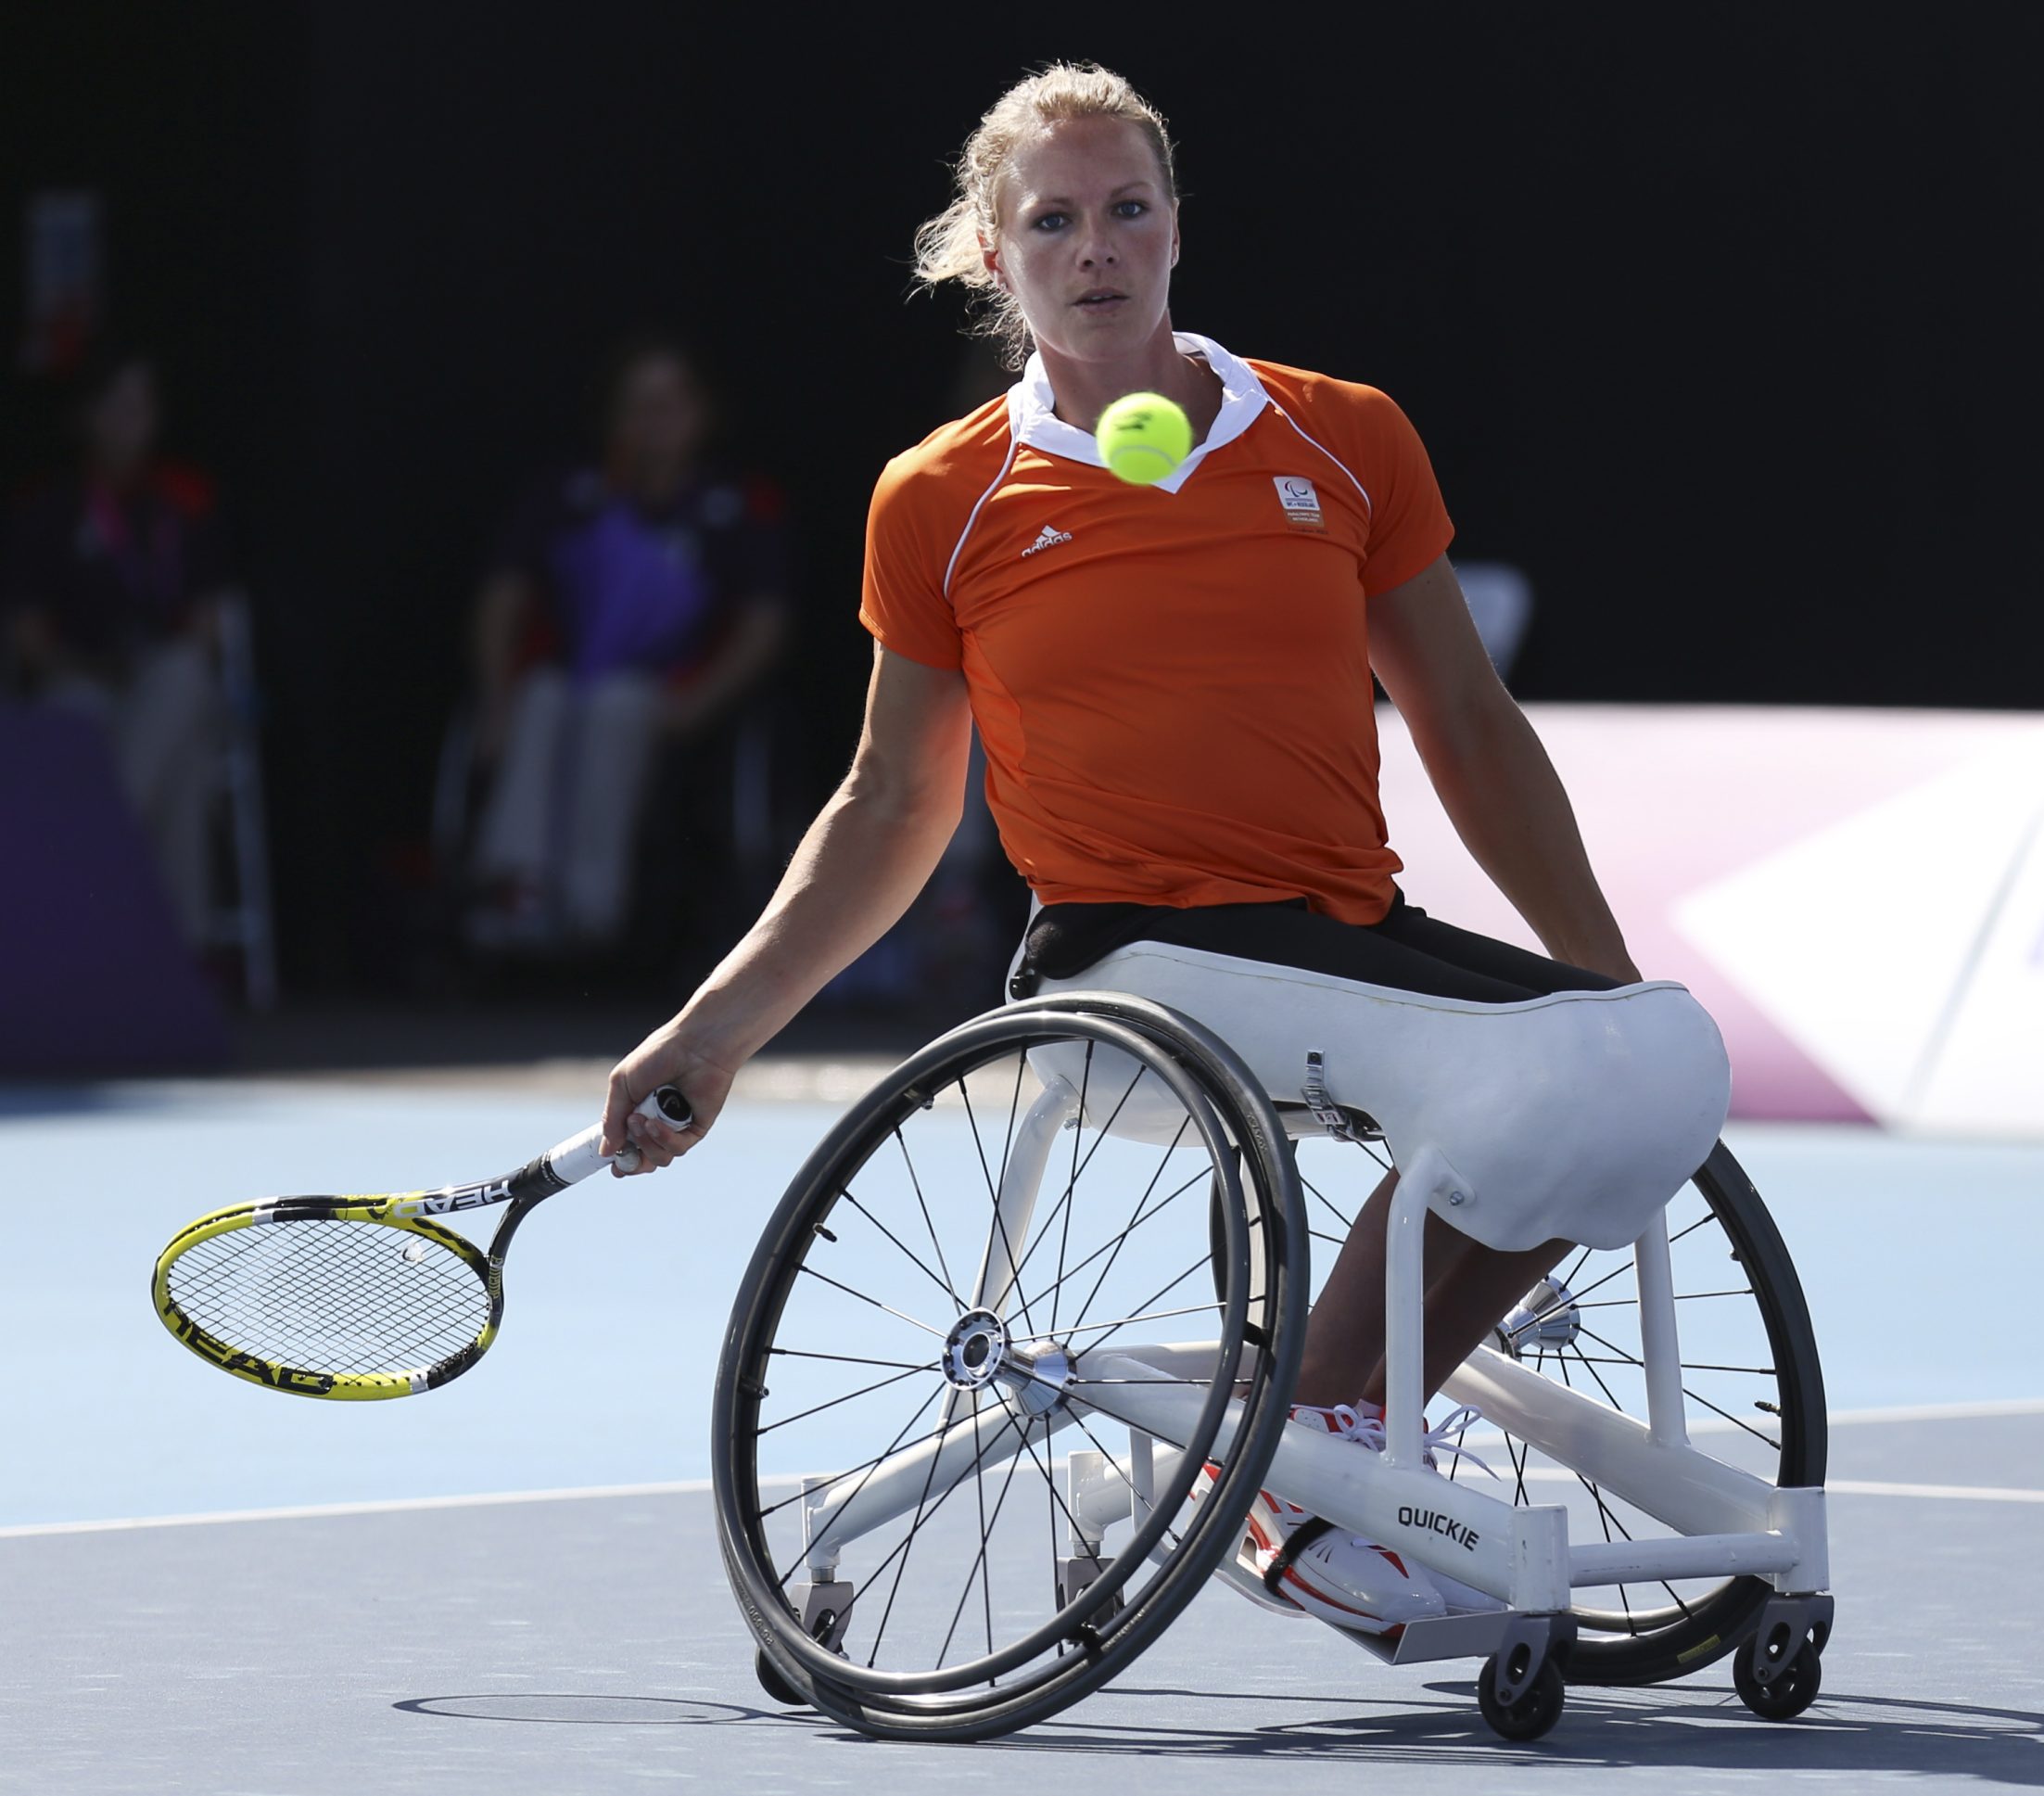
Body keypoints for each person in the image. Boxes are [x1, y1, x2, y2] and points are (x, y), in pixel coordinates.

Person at [598, 66, 1725, 1636]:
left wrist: (1605, 988)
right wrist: (714, 1029)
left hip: (1339, 933)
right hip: (1128, 962)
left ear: (1177, 227)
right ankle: (1309, 1450)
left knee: (1657, 1062)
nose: (1097, 248)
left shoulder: (1346, 436)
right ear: (994, 255)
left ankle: (1308, 1427)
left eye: (1127, 209)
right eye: (1053, 222)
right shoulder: (941, 498)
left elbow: (1469, 724)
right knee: (1557, 1081)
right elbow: (889, 804)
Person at [464, 338, 791, 949]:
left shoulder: (733, 506)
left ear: (702, 413)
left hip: (666, 695)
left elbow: (763, 626)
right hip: (563, 684)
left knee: (615, 705)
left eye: (670, 404)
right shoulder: (570, 496)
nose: (654, 421)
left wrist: (698, 702)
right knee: (540, 697)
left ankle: (591, 909)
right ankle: (515, 889)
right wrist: (495, 695)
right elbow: (503, 596)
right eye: (639, 405)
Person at [3, 349, 235, 944]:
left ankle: (92, 863)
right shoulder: (46, 506)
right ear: (86, 415)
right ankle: (179, 957)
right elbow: (28, 642)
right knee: (174, 757)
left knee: (184, 679)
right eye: (117, 405)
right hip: (81, 682)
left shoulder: (185, 499)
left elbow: (210, 627)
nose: (130, 420)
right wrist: (96, 670)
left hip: (160, 684)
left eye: (142, 406)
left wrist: (146, 673)